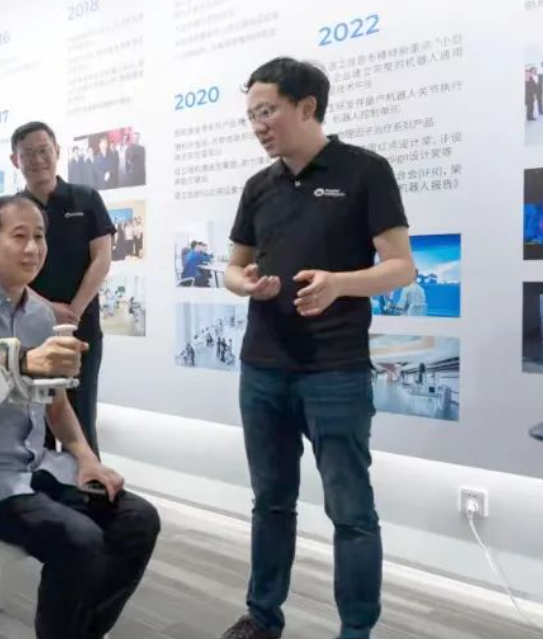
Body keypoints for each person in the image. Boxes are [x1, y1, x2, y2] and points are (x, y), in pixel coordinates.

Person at [220, 57, 415, 639]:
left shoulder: (365, 171)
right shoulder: (259, 186)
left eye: (267, 111)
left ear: (307, 107)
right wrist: (245, 284)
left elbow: (401, 267)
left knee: (351, 512)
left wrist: (339, 284)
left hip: (335, 369)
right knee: (270, 502)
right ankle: (262, 617)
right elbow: (232, 267)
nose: (258, 125)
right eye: (251, 115)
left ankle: (356, 630)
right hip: (262, 366)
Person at [0, 194, 160, 639]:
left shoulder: (39, 315)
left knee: (138, 519)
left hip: (35, 468)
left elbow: (56, 404)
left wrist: (86, 458)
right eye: (19, 236)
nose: (33, 248)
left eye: (39, 236)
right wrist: (26, 362)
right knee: (79, 540)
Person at [10, 121, 114, 456]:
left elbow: (102, 257)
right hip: (29, 328)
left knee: (81, 422)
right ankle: (42, 488)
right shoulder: (10, 210)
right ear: (15, 161)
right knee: (34, 423)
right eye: (28, 154)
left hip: (81, 329)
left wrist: (74, 310)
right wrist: (47, 308)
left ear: (57, 151)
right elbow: (8, 270)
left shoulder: (86, 198)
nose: (37, 159)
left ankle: (88, 485)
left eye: (44, 150)